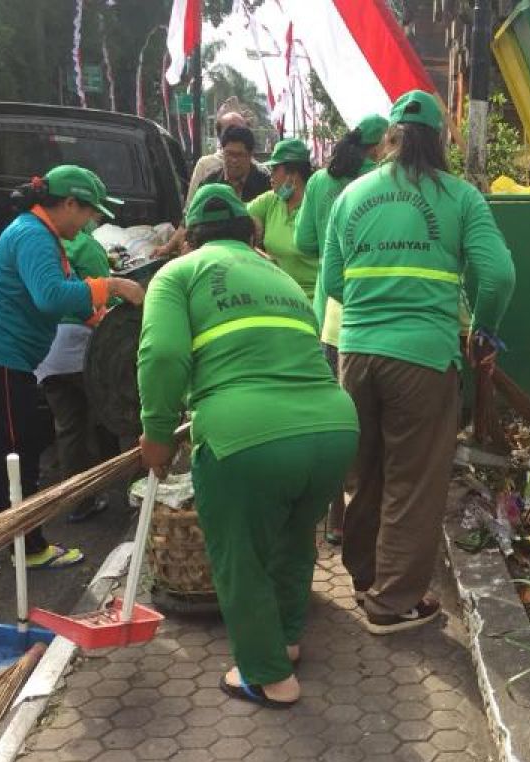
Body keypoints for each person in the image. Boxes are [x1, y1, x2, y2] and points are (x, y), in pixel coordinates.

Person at [138, 184, 358, 707]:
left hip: (246, 437)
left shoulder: (177, 273)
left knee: (241, 555)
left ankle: (268, 676)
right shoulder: (279, 276)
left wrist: (157, 432)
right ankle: (286, 639)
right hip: (333, 430)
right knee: (292, 538)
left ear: (190, 236)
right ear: (249, 232)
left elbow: (163, 356)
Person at [319, 90, 516, 634]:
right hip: (424, 358)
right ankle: (393, 602)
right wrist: (482, 327)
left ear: (390, 138)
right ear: (439, 139)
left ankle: (364, 578)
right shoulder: (460, 197)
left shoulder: (351, 195)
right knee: (414, 478)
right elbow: (498, 275)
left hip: (356, 352)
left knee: (368, 471)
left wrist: (374, 299)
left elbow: (333, 279)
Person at [0, 165, 145, 568]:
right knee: (16, 454)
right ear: (69, 203)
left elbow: (55, 300)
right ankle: (30, 548)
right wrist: (114, 286)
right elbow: (50, 297)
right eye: (90, 212)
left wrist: (103, 322)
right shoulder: (34, 235)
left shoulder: (35, 232)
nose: (92, 222)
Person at [298, 113, 390, 546]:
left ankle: (328, 515)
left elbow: (304, 244)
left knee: (332, 419)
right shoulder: (379, 178)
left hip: (327, 316)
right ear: (380, 146)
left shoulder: (319, 182)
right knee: (369, 427)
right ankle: (354, 521)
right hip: (367, 318)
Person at [34, 220, 120, 523]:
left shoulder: (45, 247)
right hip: (81, 346)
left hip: (46, 351)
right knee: (116, 412)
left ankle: (78, 502)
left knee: (68, 426)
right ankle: (129, 487)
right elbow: (103, 298)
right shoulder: (87, 246)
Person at [155, 125, 271, 258]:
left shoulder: (264, 184)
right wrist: (167, 248)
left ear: (250, 155)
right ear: (222, 152)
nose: (233, 160)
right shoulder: (210, 182)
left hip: (253, 255)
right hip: (212, 254)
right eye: (229, 153)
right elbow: (188, 221)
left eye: (239, 155)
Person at [246, 138, 318, 298]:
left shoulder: (316, 205)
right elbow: (236, 217)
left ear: (293, 174)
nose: (270, 176)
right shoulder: (271, 200)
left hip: (312, 299)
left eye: (275, 170)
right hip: (278, 296)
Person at [186, 111, 250, 204]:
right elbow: (191, 207)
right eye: (231, 130)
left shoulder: (260, 174)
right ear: (220, 136)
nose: (234, 161)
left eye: (241, 130)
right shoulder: (206, 167)